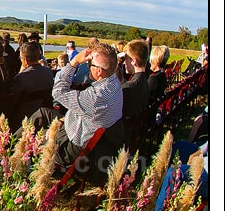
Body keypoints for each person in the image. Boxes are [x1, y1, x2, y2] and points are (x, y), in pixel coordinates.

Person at [39, 43, 124, 177]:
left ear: (99, 71)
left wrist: (74, 62)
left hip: (74, 145)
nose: (88, 67)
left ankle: (17, 167)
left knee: (34, 136)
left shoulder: (95, 97)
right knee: (42, 113)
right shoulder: (115, 83)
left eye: (90, 64)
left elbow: (58, 92)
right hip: (85, 127)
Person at [10, 41, 54, 127]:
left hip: (25, 117)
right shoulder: (48, 72)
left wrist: (20, 72)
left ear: (25, 60)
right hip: (44, 114)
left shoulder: (21, 78)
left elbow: (13, 102)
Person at [119, 39, 150, 119]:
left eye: (126, 59)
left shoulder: (129, 87)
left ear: (134, 61)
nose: (124, 62)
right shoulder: (145, 81)